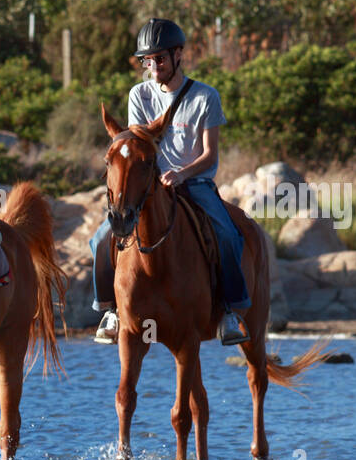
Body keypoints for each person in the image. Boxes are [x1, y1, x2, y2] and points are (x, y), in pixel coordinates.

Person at [92, 18, 250, 346]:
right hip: (150, 185)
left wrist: (181, 173)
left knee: (228, 235)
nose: (154, 66)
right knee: (100, 238)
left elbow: (208, 156)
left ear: (178, 55)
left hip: (194, 183)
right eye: (147, 61)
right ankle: (110, 310)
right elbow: (137, 147)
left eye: (160, 59)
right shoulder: (140, 95)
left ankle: (229, 311)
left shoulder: (205, 97)